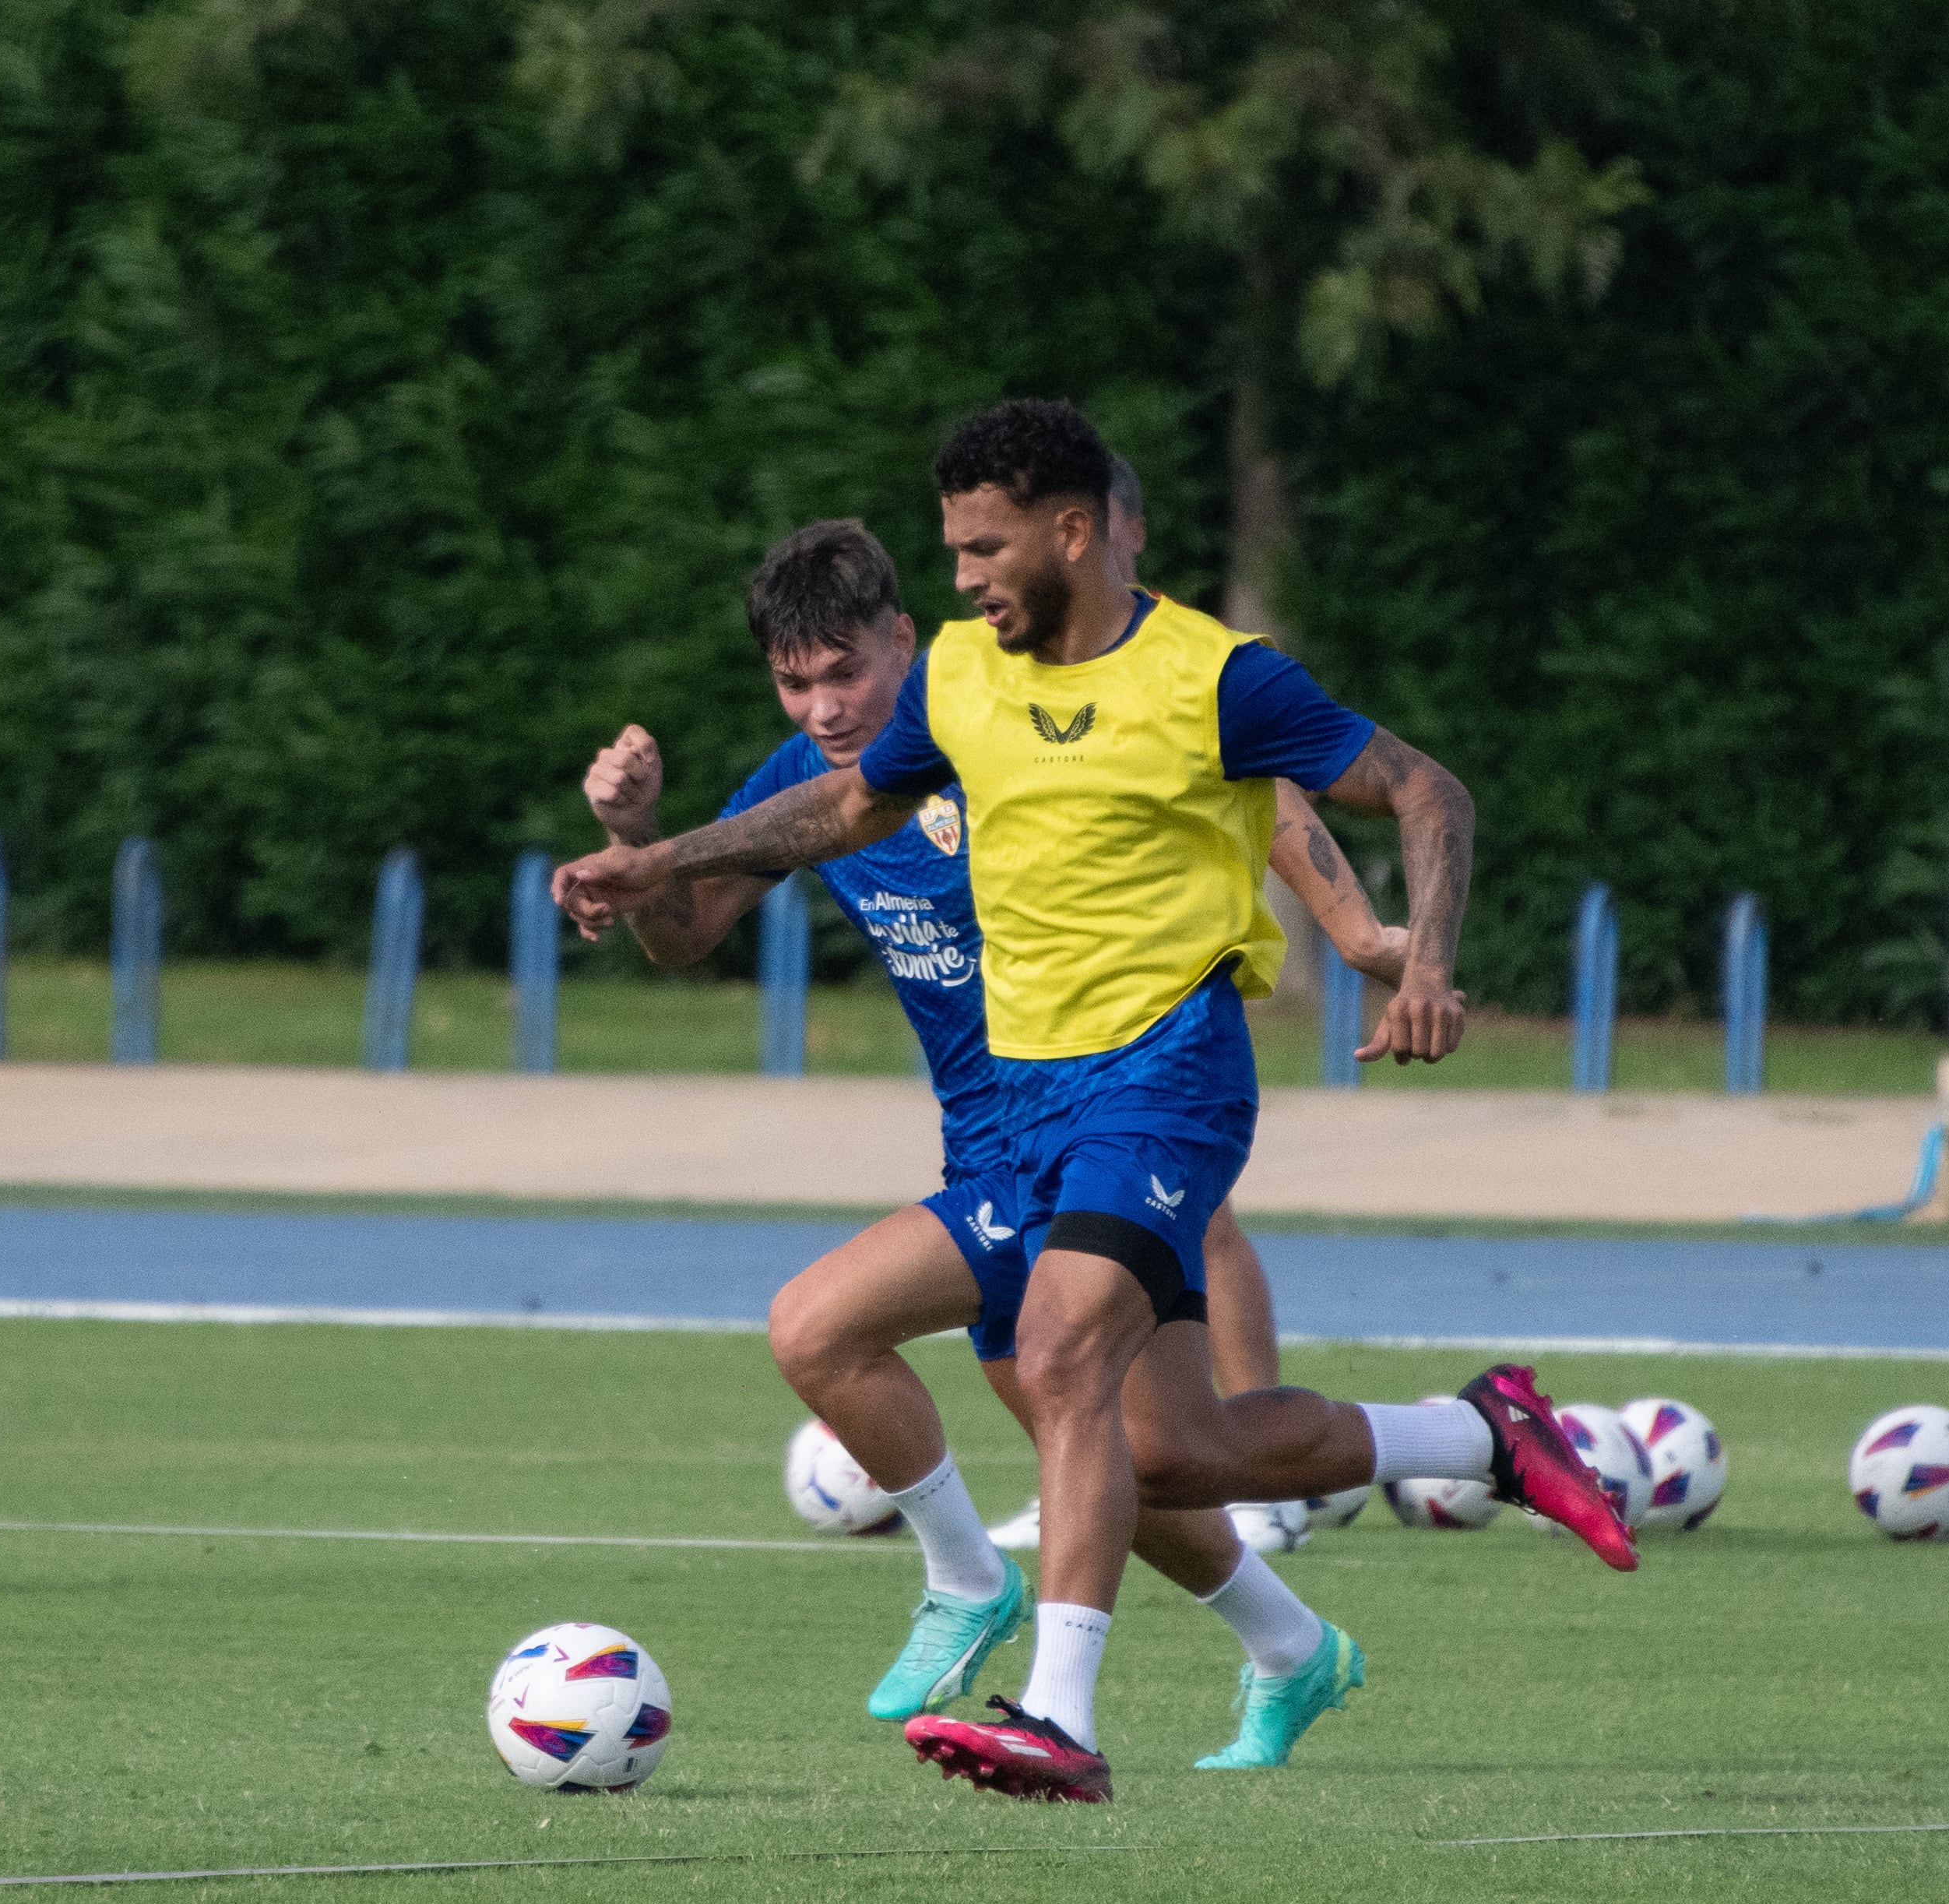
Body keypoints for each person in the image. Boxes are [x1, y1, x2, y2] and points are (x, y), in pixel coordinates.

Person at [558, 400, 1637, 1804]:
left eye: (981, 546)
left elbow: (1387, 795)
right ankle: (1471, 1440)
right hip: (1019, 1118)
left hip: (1167, 1068)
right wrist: (655, 857)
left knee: (1037, 1353)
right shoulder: (961, 683)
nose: (963, 575)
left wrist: (1401, 948)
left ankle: (1051, 1706)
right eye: (950, 550)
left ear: (1073, 532)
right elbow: (839, 814)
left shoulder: (1211, 675)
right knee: (1155, 1451)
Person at [577, 516, 1409, 1769]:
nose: (820, 706)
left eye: (844, 671)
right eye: (793, 682)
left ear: (905, 640)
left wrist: (1353, 926)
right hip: (995, 1144)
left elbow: (1253, 781)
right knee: (1122, 1453)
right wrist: (641, 842)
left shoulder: (1005, 716)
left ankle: (980, 1596)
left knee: (830, 1326)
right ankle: (1294, 1647)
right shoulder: (814, 787)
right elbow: (685, 932)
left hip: (1114, 1095)